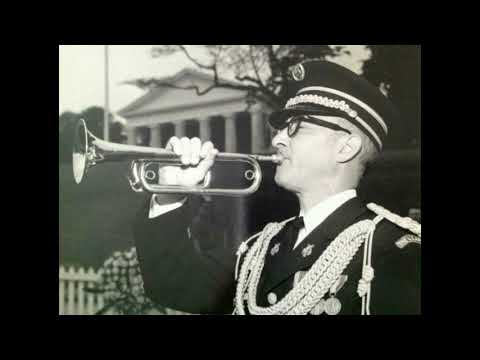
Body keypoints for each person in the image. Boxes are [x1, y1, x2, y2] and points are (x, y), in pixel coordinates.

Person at [134, 59, 421, 315]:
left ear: (346, 147)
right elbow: (172, 284)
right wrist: (171, 191)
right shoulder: (259, 250)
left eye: (297, 127)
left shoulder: (394, 251)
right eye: (281, 129)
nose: (277, 140)